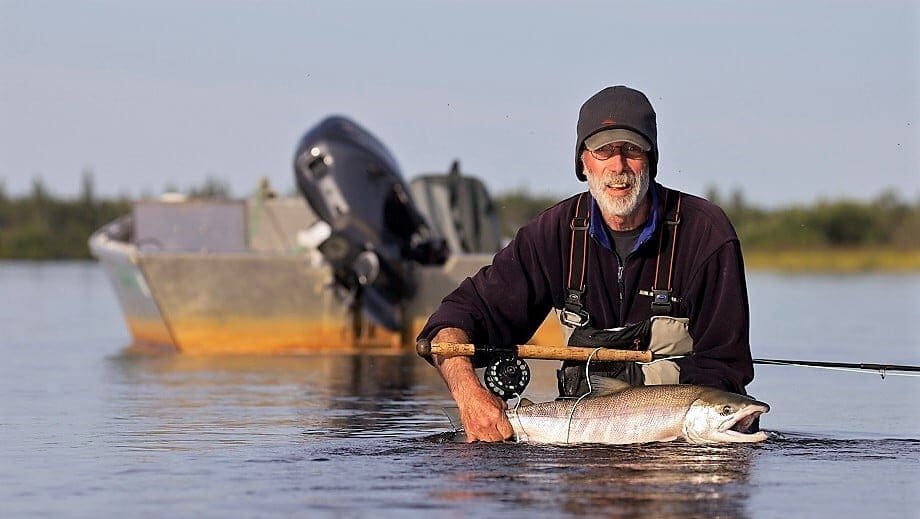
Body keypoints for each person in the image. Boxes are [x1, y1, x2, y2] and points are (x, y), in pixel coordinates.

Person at [418, 86, 754, 442]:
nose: (618, 167)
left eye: (632, 151)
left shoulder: (706, 234)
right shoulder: (552, 234)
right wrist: (469, 393)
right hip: (580, 446)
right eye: (603, 150)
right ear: (583, 161)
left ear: (651, 160)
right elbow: (453, 320)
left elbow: (726, 368)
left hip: (676, 449)